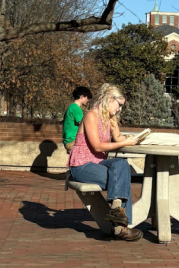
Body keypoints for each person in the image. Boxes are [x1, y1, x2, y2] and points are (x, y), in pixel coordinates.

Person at [68, 84, 143, 242]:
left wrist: (135, 139)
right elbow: (97, 146)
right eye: (119, 104)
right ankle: (121, 228)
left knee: (122, 165)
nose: (120, 109)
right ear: (110, 99)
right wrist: (125, 144)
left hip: (97, 164)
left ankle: (117, 214)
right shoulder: (91, 116)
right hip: (81, 166)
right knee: (122, 180)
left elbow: (119, 138)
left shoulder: (111, 119)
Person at [62, 86, 93, 153]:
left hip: (68, 141)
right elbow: (83, 125)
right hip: (73, 141)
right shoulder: (76, 108)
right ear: (81, 97)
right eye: (87, 97)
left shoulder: (71, 107)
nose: (87, 100)